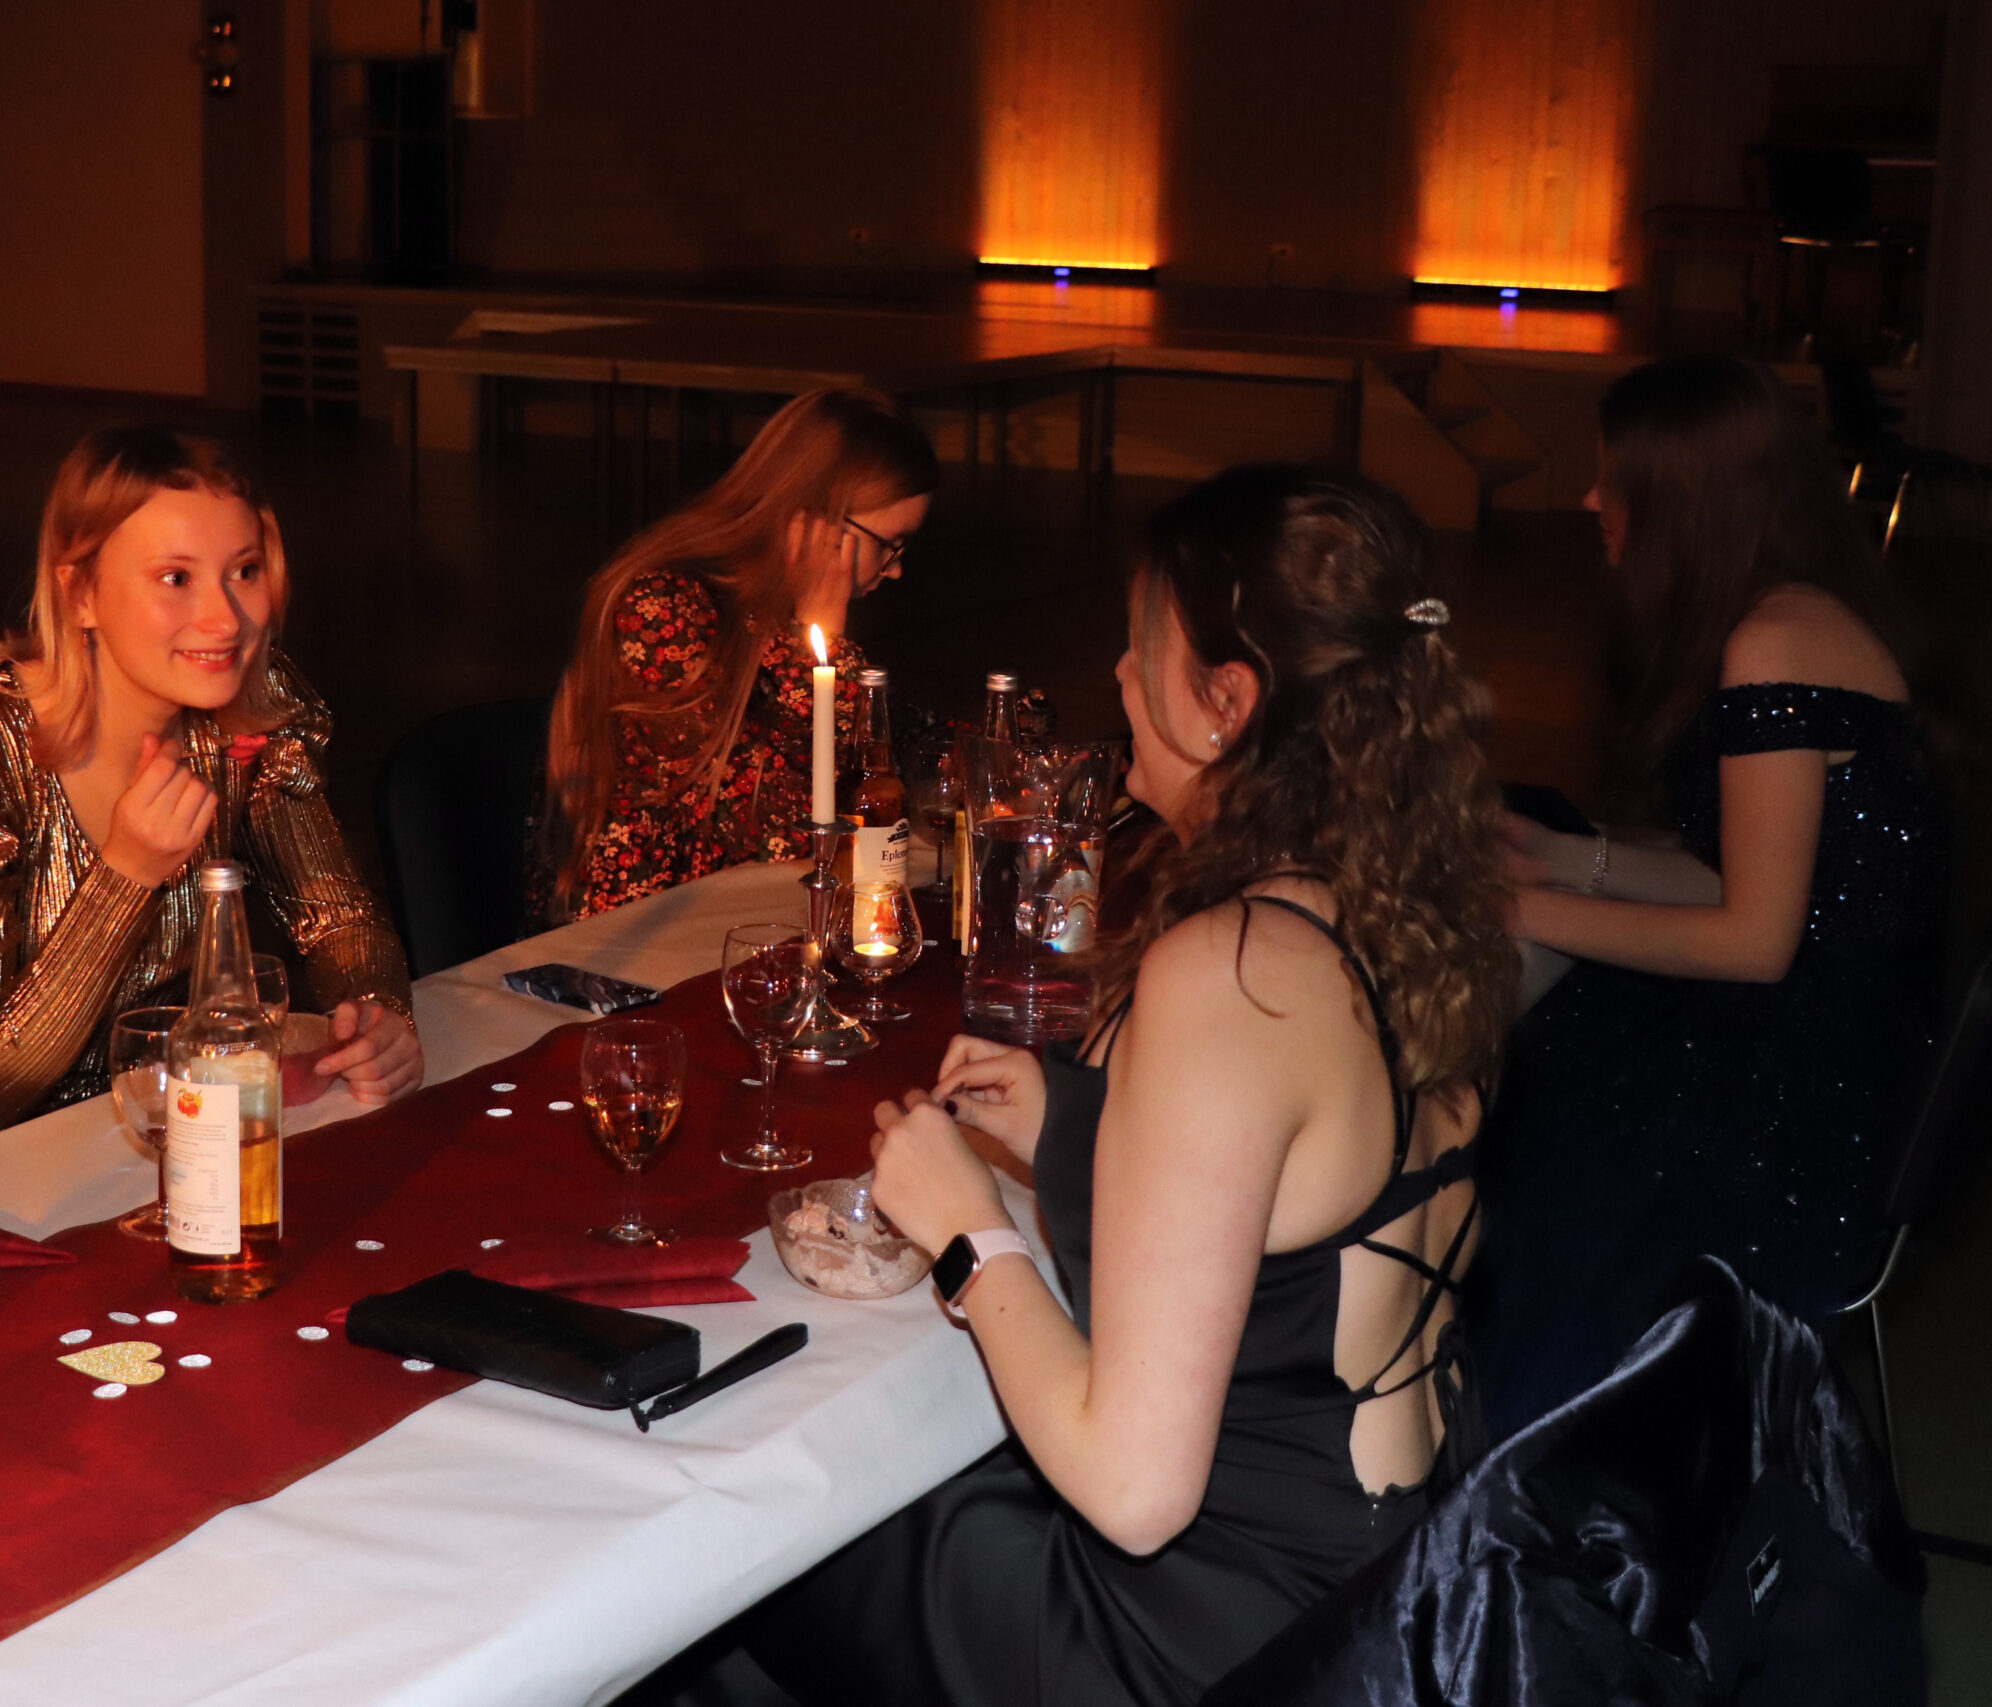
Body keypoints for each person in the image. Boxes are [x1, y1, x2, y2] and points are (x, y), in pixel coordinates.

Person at [743, 467, 1516, 1706]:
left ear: (1226, 702)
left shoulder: (1232, 970)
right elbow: (1313, 1204)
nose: (1113, 673)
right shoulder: (1404, 908)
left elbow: (1135, 1492)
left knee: (749, 1555)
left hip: (1208, 1640)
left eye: (1139, 645)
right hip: (1390, 1577)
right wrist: (1078, 1122)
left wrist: (967, 1231)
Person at [1469, 354, 1951, 1439]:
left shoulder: (1772, 645)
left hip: (1816, 1075)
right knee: (1528, 1024)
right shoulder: (1790, 612)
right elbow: (1760, 878)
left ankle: (1506, 1451)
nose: (1590, 500)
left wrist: (1520, 908)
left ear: (1682, 502)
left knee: (1526, 1130)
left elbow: (1754, 939)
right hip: (1828, 1017)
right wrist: (1566, 859)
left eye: (1611, 481)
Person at [0, 425, 420, 1182]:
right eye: (176, 578)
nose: (227, 618)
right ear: (81, 593)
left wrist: (375, 1012)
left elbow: (339, 919)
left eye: (245, 570)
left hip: (132, 1135)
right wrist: (126, 874)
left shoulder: (249, 711)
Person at [537, 387, 938, 922]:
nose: (897, 569)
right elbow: (777, 827)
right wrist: (820, 639)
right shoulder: (663, 607)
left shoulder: (777, 612)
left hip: (756, 912)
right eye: (892, 544)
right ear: (825, 523)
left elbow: (910, 751)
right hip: (649, 928)